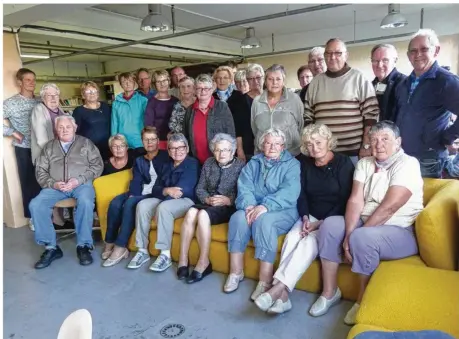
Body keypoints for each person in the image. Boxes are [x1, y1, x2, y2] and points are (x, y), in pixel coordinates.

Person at [310, 121, 423, 325]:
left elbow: (390, 206)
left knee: (362, 237)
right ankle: (329, 292)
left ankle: (362, 300)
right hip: (365, 223)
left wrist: (353, 237)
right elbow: (355, 200)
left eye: (385, 139)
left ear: (398, 142)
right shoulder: (365, 163)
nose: (379, 144)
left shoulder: (408, 163)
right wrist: (347, 235)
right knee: (330, 225)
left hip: (400, 230)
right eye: (374, 140)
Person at [254, 124, 354, 314]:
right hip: (310, 215)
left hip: (334, 219)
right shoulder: (304, 162)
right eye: (309, 144)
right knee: (292, 238)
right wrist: (306, 216)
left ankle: (277, 289)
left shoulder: (344, 163)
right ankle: (282, 299)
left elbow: (346, 198)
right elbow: (300, 194)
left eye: (318, 142)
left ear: (328, 141)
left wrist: (320, 223)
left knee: (308, 242)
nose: (314, 148)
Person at [224, 129, 301, 300]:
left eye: (276, 144)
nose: (272, 147)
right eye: (268, 143)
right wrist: (250, 205)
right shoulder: (254, 162)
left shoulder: (292, 164)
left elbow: (290, 192)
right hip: (254, 207)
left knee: (264, 221)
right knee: (237, 217)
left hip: (283, 210)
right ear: (262, 145)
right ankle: (236, 272)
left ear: (283, 146)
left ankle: (265, 280)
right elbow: (244, 186)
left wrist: (265, 206)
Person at [29, 116, 103, 269]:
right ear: (56, 130)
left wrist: (79, 180)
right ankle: (51, 247)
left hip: (80, 184)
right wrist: (53, 183)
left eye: (68, 127)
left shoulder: (86, 143)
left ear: (74, 128)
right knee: (36, 205)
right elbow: (40, 170)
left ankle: (84, 245)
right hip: (55, 187)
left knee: (86, 201)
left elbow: (97, 165)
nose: (64, 130)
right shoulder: (49, 147)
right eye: (61, 127)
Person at [177, 133, 244, 283]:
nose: (221, 154)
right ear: (213, 151)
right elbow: (200, 188)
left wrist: (228, 200)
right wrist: (206, 198)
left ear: (232, 151)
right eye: (218, 150)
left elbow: (244, 192)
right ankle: (183, 259)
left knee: (202, 215)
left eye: (226, 150)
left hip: (228, 206)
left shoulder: (241, 165)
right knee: (191, 212)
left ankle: (204, 261)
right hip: (208, 203)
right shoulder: (208, 163)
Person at [129, 133, 200, 271]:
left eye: (181, 148)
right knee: (142, 205)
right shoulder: (167, 165)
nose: (177, 151)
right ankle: (142, 250)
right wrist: (166, 190)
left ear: (187, 148)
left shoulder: (192, 163)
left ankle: (165, 254)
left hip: (187, 200)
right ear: (168, 150)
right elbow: (156, 188)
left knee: (164, 208)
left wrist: (163, 197)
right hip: (166, 198)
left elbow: (181, 191)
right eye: (173, 148)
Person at [394, 29, 459, 178]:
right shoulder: (404, 83)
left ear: (436, 50)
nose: (418, 55)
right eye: (413, 51)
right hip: (402, 155)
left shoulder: (446, 81)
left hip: (428, 158)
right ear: (408, 55)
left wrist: (446, 137)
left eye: (424, 49)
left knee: (424, 199)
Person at [102, 127, 169, 267]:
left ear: (158, 141)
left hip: (155, 193)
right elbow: (136, 180)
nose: (149, 142)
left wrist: (132, 198)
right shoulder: (139, 160)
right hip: (140, 191)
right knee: (115, 203)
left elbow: (165, 181)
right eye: (146, 139)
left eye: (152, 139)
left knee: (130, 203)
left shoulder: (166, 157)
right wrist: (132, 194)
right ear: (142, 141)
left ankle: (120, 247)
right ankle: (109, 242)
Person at [305, 38, 380, 164]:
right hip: (323, 155)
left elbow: (371, 116)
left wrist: (366, 146)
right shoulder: (315, 83)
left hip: (354, 155)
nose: (332, 57)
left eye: (338, 53)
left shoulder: (359, 78)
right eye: (328, 53)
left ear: (346, 55)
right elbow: (308, 119)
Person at [3, 68, 41, 222]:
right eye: (28, 80)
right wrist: (12, 131)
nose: (32, 83)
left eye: (33, 79)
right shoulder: (11, 103)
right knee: (29, 184)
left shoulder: (41, 101)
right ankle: (33, 218)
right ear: (19, 82)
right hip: (25, 148)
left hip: (44, 148)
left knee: (46, 181)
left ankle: (52, 216)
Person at [251, 64, 304, 157]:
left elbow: (301, 125)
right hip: (263, 156)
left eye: (278, 79)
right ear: (265, 81)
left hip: (290, 155)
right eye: (270, 79)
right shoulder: (257, 101)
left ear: (283, 81)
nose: (274, 82)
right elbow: (254, 128)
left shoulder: (294, 99)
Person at [182, 74, 236, 165]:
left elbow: (231, 133)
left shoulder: (222, 107)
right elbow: (185, 135)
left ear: (212, 90)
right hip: (195, 161)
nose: (203, 91)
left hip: (219, 160)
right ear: (195, 90)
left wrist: (229, 157)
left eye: (206, 88)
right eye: (199, 88)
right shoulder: (190, 110)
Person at [228, 63, 264, 162]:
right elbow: (238, 129)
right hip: (249, 148)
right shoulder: (240, 101)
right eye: (251, 79)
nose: (255, 81)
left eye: (258, 77)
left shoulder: (271, 98)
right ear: (248, 80)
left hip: (270, 146)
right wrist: (239, 149)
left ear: (263, 77)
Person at [111, 72, 147, 157]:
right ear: (120, 84)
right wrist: (114, 143)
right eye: (124, 82)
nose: (127, 84)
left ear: (134, 83)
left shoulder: (143, 101)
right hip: (123, 144)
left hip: (140, 142)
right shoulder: (116, 103)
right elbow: (114, 124)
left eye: (130, 81)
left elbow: (147, 122)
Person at [31, 83, 68, 165]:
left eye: (56, 95)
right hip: (48, 156)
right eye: (49, 95)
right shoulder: (39, 110)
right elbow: (41, 139)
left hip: (61, 154)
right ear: (43, 97)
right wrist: (55, 154)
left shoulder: (59, 109)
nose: (53, 98)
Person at [73, 81, 112, 160]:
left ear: (98, 93)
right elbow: (75, 132)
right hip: (90, 149)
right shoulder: (79, 111)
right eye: (88, 91)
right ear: (83, 95)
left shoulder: (106, 107)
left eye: (94, 91)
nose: (92, 93)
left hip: (108, 147)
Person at [370, 44, 406, 122]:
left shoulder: (404, 83)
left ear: (395, 61)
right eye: (375, 61)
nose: (379, 65)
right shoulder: (371, 85)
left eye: (385, 60)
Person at [144, 70, 179, 150]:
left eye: (164, 81)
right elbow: (149, 126)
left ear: (169, 81)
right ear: (154, 84)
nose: (162, 84)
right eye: (158, 81)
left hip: (175, 141)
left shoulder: (176, 101)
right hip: (158, 142)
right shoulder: (151, 102)